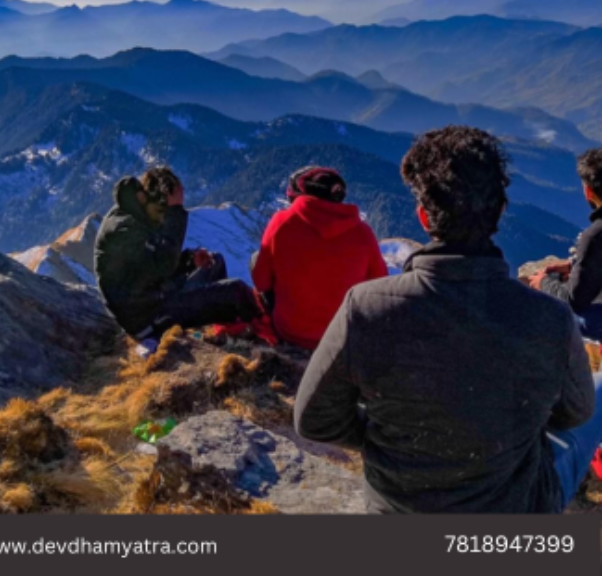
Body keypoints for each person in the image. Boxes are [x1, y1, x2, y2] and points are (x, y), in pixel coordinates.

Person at [294, 126, 600, 513]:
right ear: (500, 211)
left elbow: (314, 421)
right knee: (599, 390)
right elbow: (573, 413)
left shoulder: (366, 308)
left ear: (424, 217)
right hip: (512, 512)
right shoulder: (550, 318)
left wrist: (389, 439)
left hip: (398, 512)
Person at [94, 167, 260, 341]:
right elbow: (162, 266)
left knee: (215, 262)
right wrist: (176, 213)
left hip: (155, 297)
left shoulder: (138, 214)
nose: (165, 216)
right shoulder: (125, 230)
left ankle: (228, 330)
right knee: (236, 290)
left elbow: (152, 267)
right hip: (147, 319)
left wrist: (189, 261)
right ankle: (266, 334)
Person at [251, 166, 388, 350]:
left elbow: (261, 281)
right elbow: (378, 286)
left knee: (256, 259)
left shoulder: (281, 222)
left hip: (290, 331)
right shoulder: (363, 232)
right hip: (341, 336)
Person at [529, 148, 602, 338]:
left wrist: (543, 283)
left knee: (559, 313)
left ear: (588, 191)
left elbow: (573, 300)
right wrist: (575, 264)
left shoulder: (596, 236)